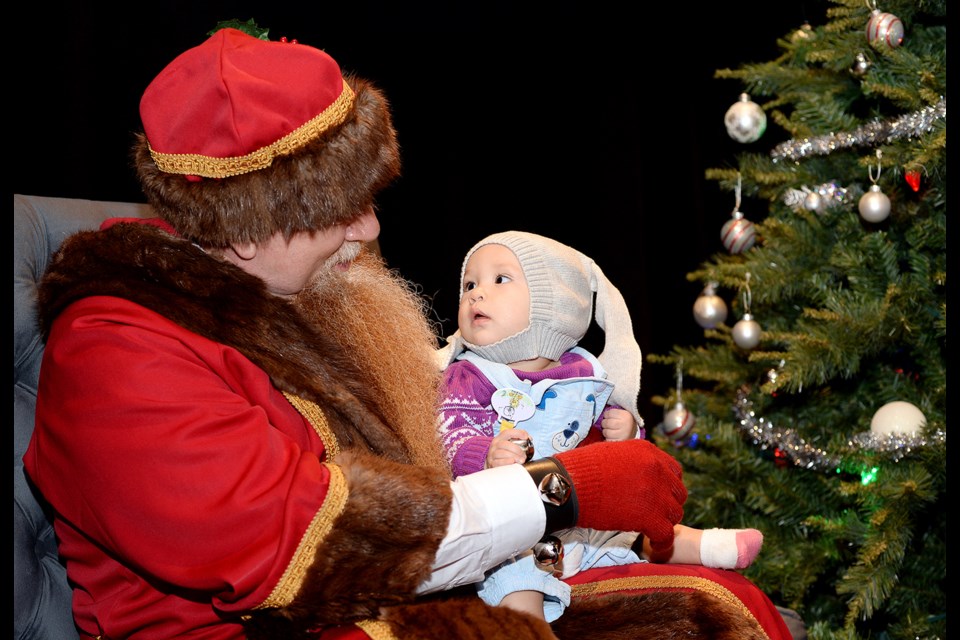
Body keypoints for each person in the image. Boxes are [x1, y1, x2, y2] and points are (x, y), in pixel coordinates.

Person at [22, 26, 792, 639]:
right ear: (249, 226)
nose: (371, 226)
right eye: (341, 207)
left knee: (711, 606)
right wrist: (560, 490)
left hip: (394, 607)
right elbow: (308, 545)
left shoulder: (285, 298)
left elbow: (440, 432)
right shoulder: (115, 355)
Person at [436, 231, 763, 624]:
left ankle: (693, 544)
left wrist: (625, 433)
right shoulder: (467, 376)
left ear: (554, 302)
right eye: (469, 284)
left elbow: (615, 463)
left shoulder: (587, 372)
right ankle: (528, 626)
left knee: (629, 529)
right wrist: (484, 454)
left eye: (499, 280)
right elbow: (447, 437)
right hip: (512, 533)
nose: (476, 294)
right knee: (515, 577)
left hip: (580, 522)